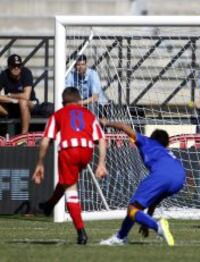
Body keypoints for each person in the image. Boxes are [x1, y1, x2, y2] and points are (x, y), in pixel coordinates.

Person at [32, 87, 107, 245]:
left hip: (69, 150)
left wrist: (40, 163)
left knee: (70, 187)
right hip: (87, 151)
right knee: (68, 181)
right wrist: (101, 164)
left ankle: (81, 232)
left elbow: (46, 140)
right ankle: (49, 205)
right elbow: (101, 139)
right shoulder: (90, 115)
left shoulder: (58, 114)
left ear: (62, 102)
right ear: (80, 101)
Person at [99, 120, 185, 247]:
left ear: (152, 138)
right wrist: (146, 221)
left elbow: (124, 127)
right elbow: (153, 201)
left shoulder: (147, 141)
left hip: (162, 174)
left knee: (131, 208)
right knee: (136, 208)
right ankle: (120, 237)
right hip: (180, 178)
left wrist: (106, 123)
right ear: (166, 144)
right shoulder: (167, 153)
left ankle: (157, 226)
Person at [0, 54, 38, 134]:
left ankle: (24, 135)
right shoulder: (4, 75)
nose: (16, 68)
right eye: (14, 66)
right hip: (12, 106)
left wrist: (10, 95)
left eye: (18, 65)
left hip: (30, 104)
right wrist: (11, 100)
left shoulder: (26, 72)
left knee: (22, 102)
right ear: (9, 66)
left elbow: (26, 96)